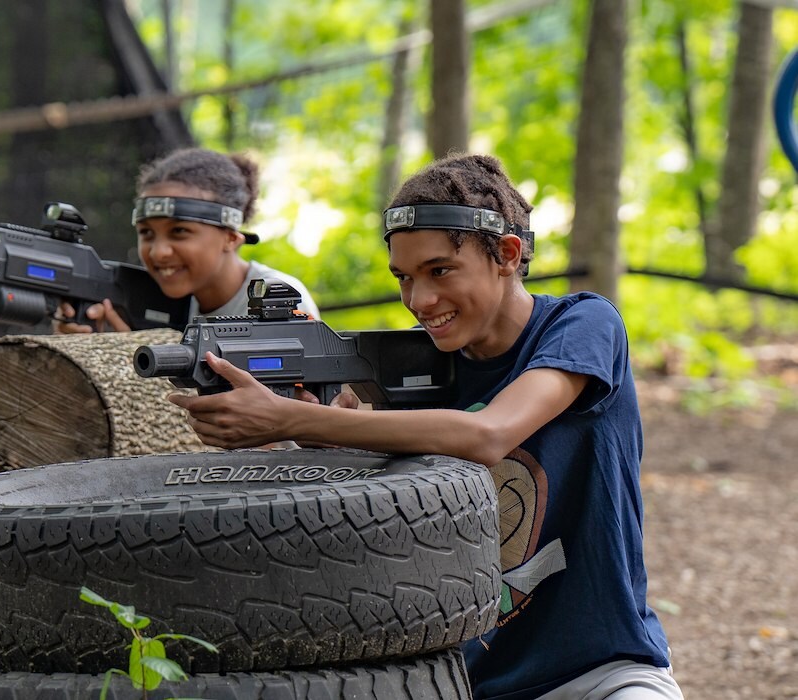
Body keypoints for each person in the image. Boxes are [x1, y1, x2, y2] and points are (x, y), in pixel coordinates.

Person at [166, 153, 683, 700]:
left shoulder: (583, 323)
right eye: (403, 278)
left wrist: (293, 416)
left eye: (440, 271)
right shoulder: (415, 365)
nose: (420, 300)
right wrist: (317, 432)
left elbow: (489, 434)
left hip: (604, 675)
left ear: (507, 255)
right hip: (463, 685)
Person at [53, 147, 319, 333]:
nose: (158, 252)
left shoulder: (278, 298)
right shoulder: (151, 300)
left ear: (230, 238)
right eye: (146, 233)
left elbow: (295, 398)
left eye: (179, 231)